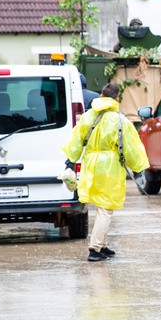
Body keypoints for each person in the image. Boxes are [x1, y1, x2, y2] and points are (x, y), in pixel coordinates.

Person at [62, 83, 149, 262]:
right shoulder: (120, 121)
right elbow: (132, 147)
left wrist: (70, 160)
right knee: (106, 208)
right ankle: (95, 248)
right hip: (110, 168)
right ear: (116, 99)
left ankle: (102, 245)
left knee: (102, 207)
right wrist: (139, 168)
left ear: (101, 95)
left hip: (91, 164)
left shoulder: (88, 116)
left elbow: (76, 139)